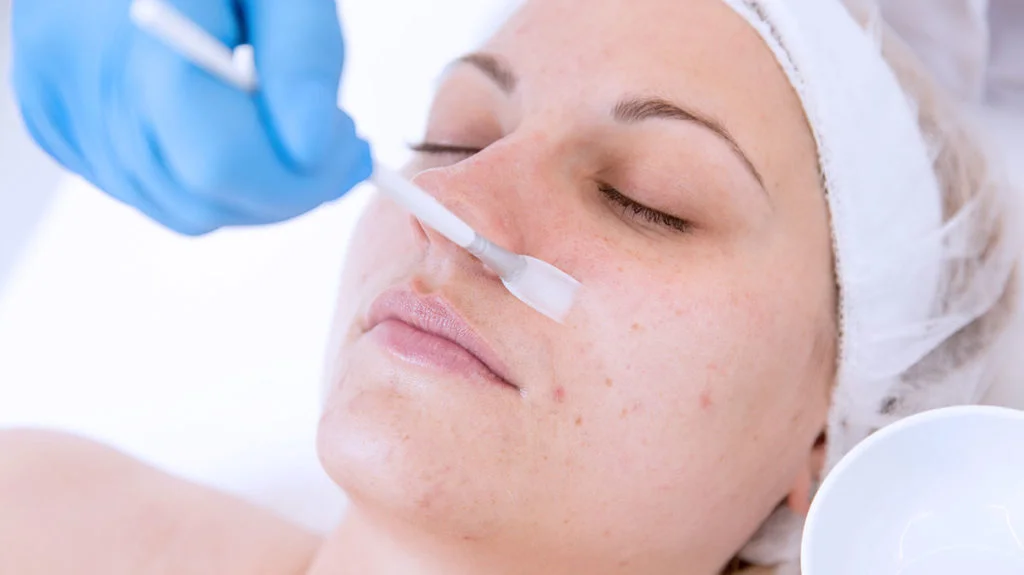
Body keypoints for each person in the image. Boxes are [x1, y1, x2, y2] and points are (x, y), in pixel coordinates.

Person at [2, 0, 1018, 574]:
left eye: (645, 199)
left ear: (830, 444)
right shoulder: (38, 509)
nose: (459, 204)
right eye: (452, 137)